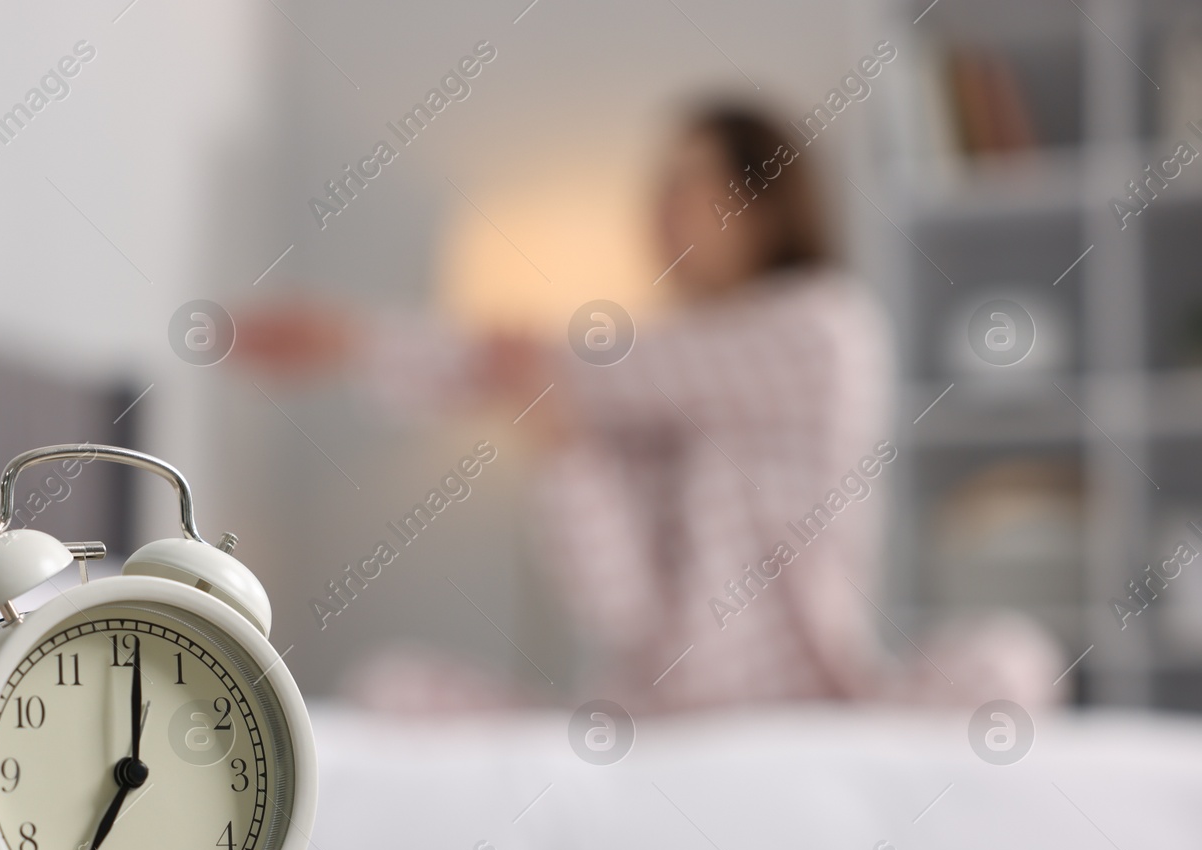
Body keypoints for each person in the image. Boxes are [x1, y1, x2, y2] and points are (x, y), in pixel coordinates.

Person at [239, 103, 1064, 715]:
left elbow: (598, 365)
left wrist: (355, 339)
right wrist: (562, 449)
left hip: (816, 695)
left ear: (763, 202)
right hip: (655, 707)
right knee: (388, 688)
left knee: (1013, 660)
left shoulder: (825, 329)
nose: (660, 209)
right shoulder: (633, 403)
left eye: (687, 184)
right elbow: (619, 609)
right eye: (658, 186)